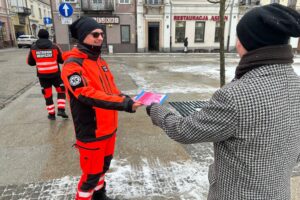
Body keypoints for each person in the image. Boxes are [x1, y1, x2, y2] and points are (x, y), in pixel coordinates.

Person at [146, 4, 300, 200]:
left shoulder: (236, 96)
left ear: (247, 44)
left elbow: (184, 130)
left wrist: (157, 111)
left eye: (239, 37)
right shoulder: (297, 86)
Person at [61, 17, 141, 200]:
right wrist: (124, 104)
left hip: (109, 129)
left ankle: (99, 195)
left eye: (102, 34)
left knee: (102, 169)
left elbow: (112, 90)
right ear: (82, 37)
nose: (100, 38)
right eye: (94, 34)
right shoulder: (73, 65)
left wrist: (128, 100)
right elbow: (85, 93)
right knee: (90, 177)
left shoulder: (100, 62)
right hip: (91, 131)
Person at [27, 29, 68, 120]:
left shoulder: (33, 47)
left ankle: (51, 114)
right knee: (61, 91)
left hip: (43, 76)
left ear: (38, 36)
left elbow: (30, 62)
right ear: (48, 36)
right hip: (55, 75)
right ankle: (61, 109)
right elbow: (62, 60)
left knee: (47, 94)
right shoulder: (54, 47)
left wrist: (39, 60)